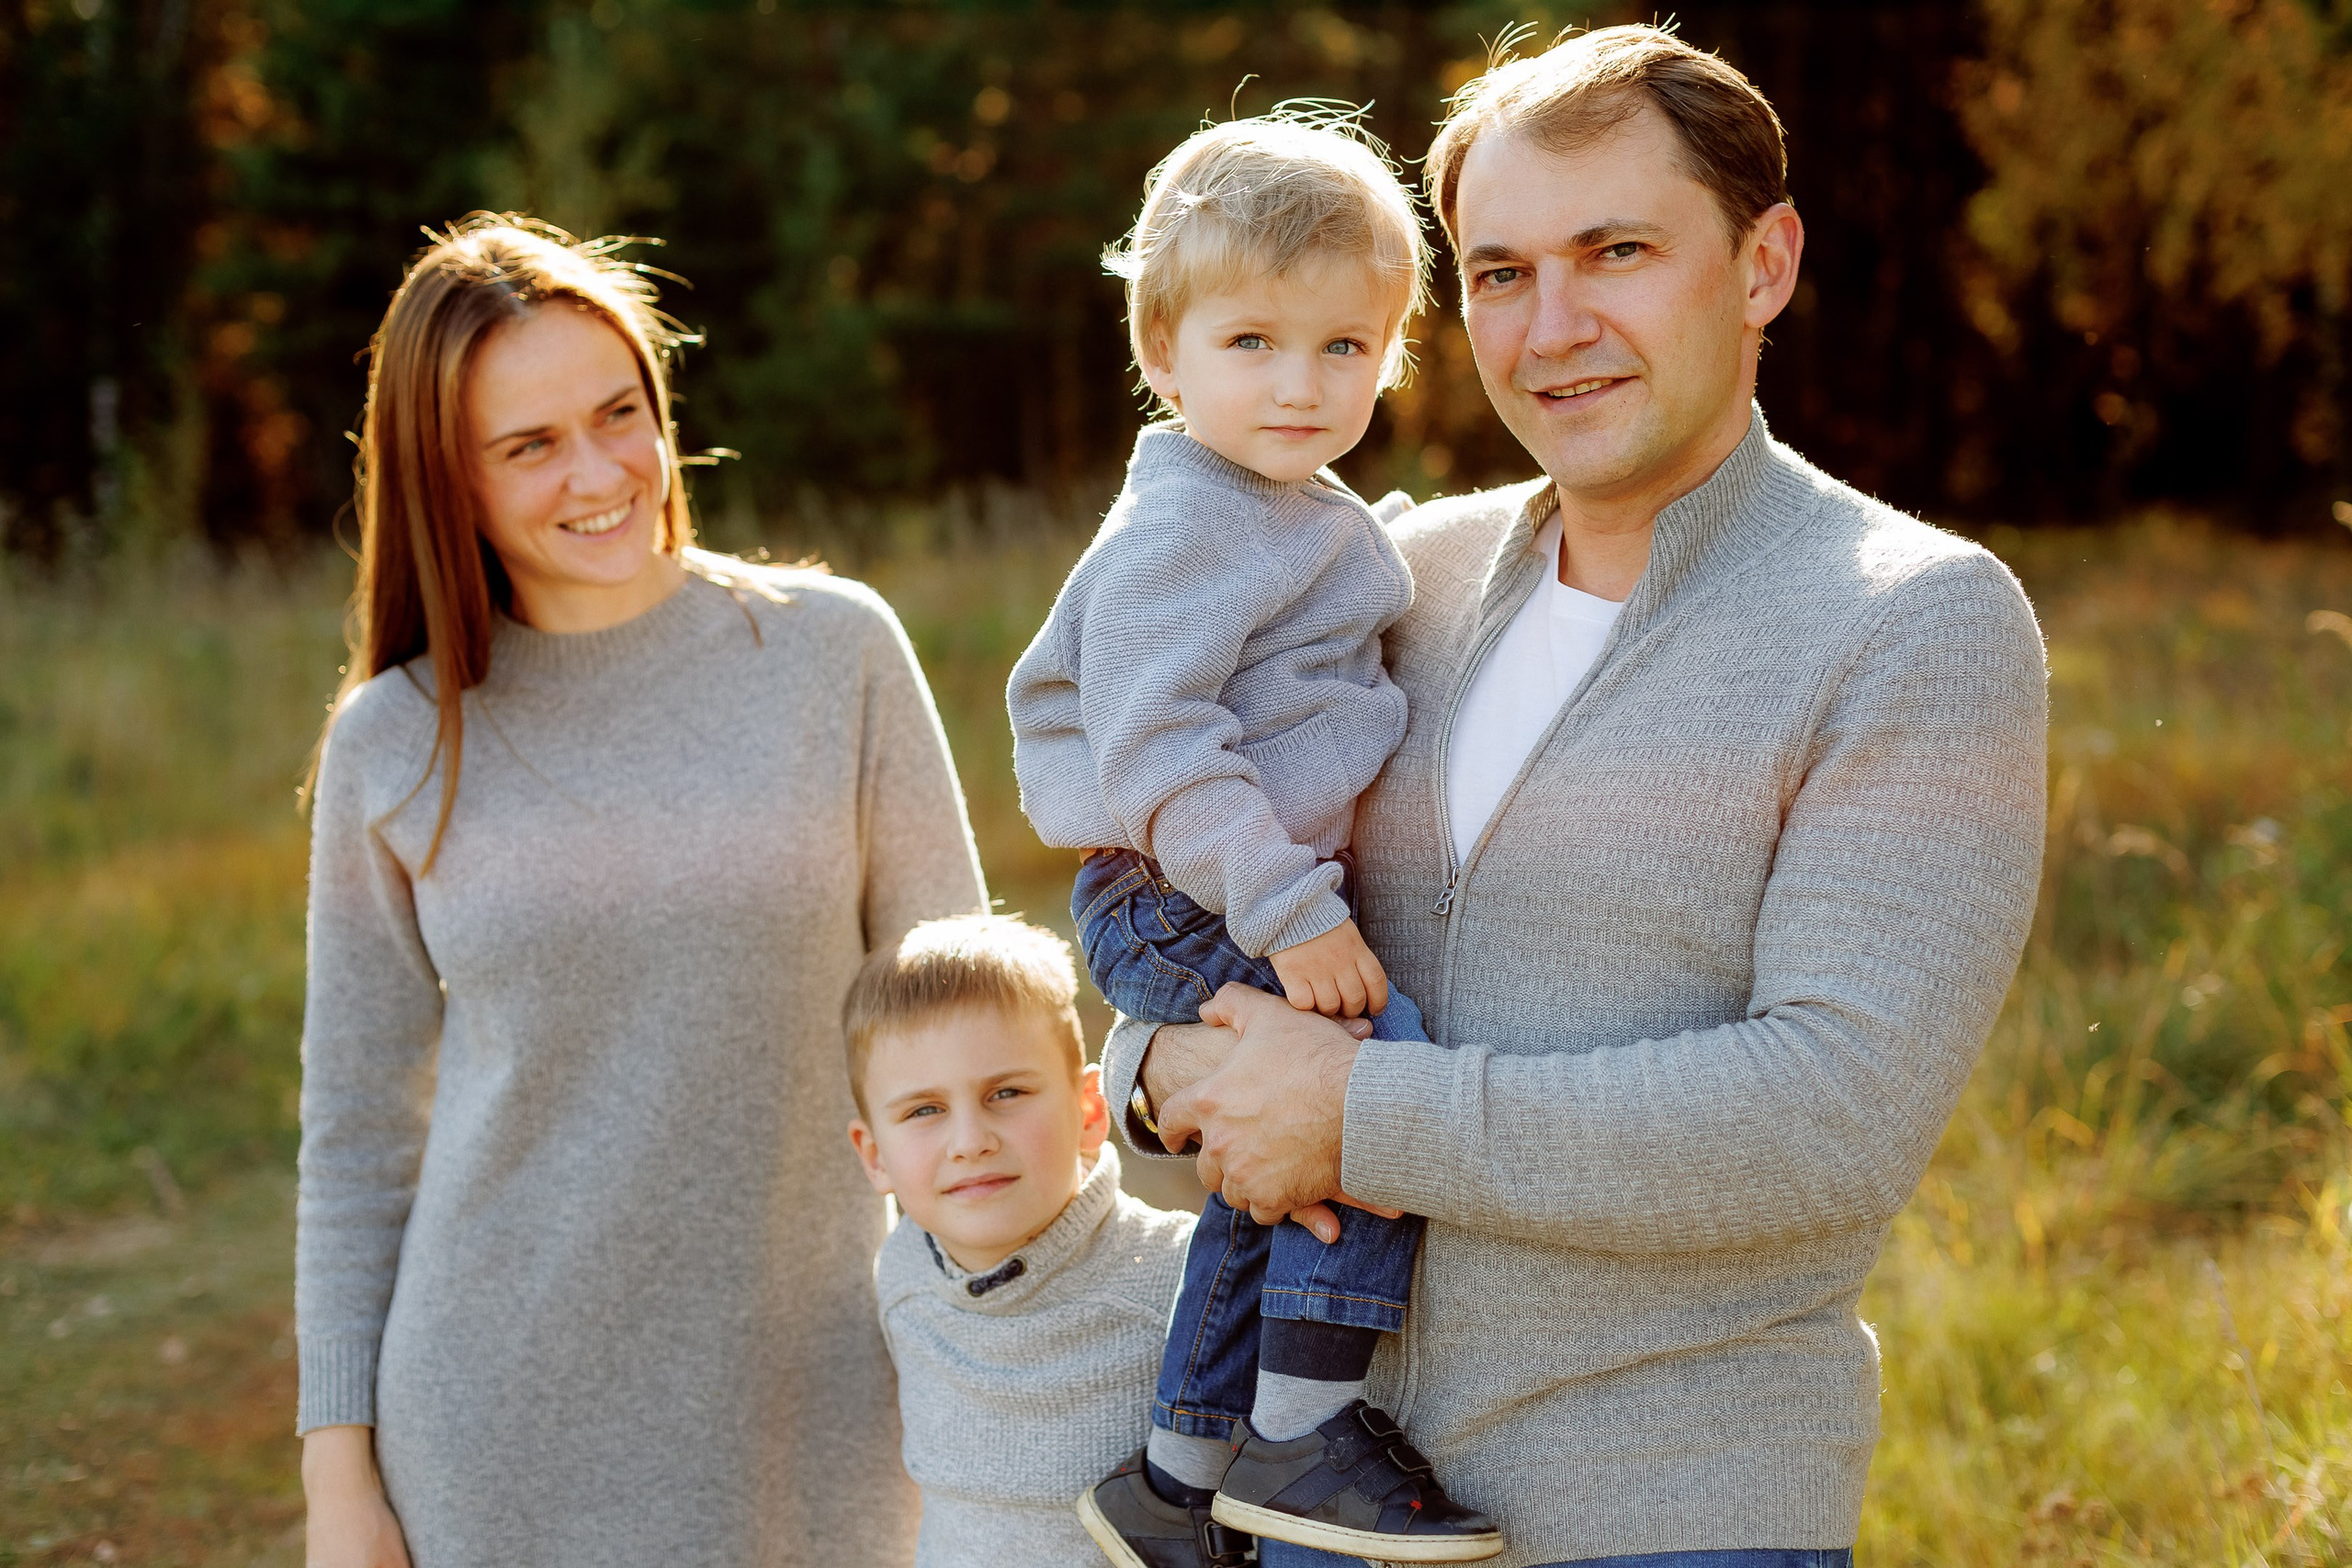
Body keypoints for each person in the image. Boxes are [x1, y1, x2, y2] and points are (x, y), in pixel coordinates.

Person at [1105, 27, 2051, 1568]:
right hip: (1306, 1522)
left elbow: (1830, 1119)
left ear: (1762, 266)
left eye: (1616, 251)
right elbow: (1177, 929)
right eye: (1497, 271)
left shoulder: (1913, 621)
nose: (1553, 327)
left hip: (1669, 1512)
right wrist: (1158, 1078)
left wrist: (1357, 1114)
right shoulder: (1384, 576)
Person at [295, 215, 987, 1568]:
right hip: (492, 1428)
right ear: (451, 480)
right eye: (530, 444)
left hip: (820, 1402)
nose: (601, 471)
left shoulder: (832, 656)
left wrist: (1018, 1341)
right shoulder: (394, 737)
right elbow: (357, 1133)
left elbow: (968, 1034)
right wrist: (340, 1484)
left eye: (620, 413)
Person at [1006, 114, 1501, 1563]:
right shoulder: (1182, 530)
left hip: (1206, 878)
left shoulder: (1282, 503)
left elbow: (1320, 608)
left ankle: (1173, 1473)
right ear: (1164, 355)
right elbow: (1161, 749)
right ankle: (1300, 1436)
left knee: (1266, 1162)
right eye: (1254, 345)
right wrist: (1295, 912)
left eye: (1346, 348)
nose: (1304, 384)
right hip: (1185, 881)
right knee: (1367, 1080)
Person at [842, 914, 1230, 1567]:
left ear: (1088, 1111)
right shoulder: (903, 1274)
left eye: (1006, 1092)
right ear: (875, 1153)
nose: (970, 1140)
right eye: (924, 1110)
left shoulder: (1182, 1279)